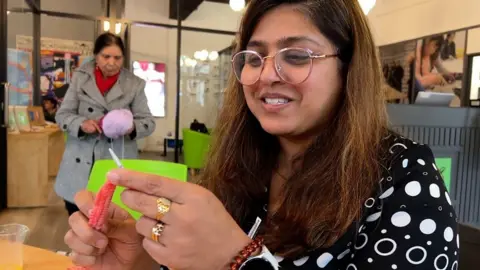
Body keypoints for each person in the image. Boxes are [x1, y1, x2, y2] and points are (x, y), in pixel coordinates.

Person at [64, 1, 459, 269]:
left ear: (349, 67)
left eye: (298, 55)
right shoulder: (242, 164)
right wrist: (142, 262)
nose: (266, 74)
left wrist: (239, 259)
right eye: (253, 57)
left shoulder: (406, 178)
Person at [55, 33, 155, 216]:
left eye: (117, 58)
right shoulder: (80, 78)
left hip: (116, 158)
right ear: (95, 55)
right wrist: (81, 123)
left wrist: (130, 127)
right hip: (80, 162)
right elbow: (62, 115)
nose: (112, 62)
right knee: (78, 216)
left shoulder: (134, 84)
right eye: (106, 56)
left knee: (114, 218)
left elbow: (148, 122)